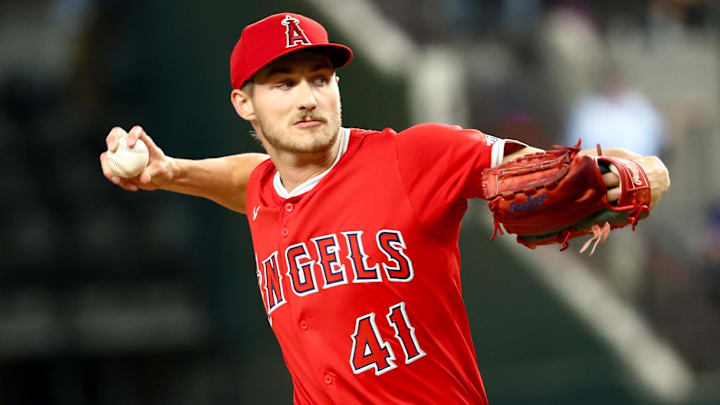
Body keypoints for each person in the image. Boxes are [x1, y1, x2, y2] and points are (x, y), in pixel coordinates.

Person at [99, 13, 670, 405]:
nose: (308, 97)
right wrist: (171, 171)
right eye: (284, 82)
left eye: (321, 78)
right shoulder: (265, 191)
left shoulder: (414, 156)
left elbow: (564, 171)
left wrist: (641, 175)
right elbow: (251, 178)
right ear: (243, 102)